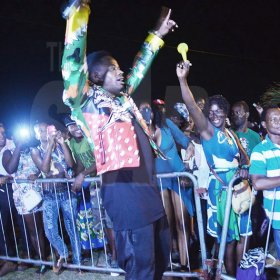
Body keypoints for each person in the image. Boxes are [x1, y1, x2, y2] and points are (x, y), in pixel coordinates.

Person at [61, 3, 176, 279]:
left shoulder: (123, 100)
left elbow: (138, 68)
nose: (121, 72)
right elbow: (74, 66)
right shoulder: (86, 102)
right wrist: (79, 14)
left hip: (148, 194)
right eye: (113, 69)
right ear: (97, 76)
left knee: (159, 263)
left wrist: (157, 35)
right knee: (140, 269)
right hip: (126, 196)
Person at [176, 61, 251, 276]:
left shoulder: (230, 134)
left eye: (220, 111)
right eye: (212, 111)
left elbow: (244, 158)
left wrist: (244, 169)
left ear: (226, 113)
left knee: (244, 236)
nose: (215, 115)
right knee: (227, 239)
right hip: (220, 190)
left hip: (239, 188)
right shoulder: (208, 132)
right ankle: (228, 275)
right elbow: (191, 105)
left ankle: (241, 274)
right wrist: (183, 79)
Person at [64, 115, 118, 270]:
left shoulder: (91, 137)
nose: (76, 128)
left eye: (77, 124)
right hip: (93, 186)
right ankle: (110, 253)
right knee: (100, 220)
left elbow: (99, 159)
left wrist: (83, 175)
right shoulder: (73, 143)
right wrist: (75, 175)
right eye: (71, 126)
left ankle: (116, 256)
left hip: (105, 181)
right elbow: (80, 163)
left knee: (109, 219)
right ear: (68, 129)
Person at [31, 122, 81, 273]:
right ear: (36, 135)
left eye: (46, 129)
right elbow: (45, 168)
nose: (44, 132)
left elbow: (71, 164)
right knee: (50, 231)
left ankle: (79, 264)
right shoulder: (36, 150)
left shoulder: (59, 145)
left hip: (66, 192)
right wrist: (50, 144)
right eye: (40, 130)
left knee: (72, 228)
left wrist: (62, 143)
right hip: (49, 196)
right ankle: (64, 253)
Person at [3, 133, 48, 274]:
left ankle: (48, 257)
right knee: (34, 231)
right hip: (24, 197)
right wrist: (19, 147)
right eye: (18, 136)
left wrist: (38, 176)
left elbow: (44, 168)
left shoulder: (34, 149)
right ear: (14, 139)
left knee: (45, 228)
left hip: (41, 193)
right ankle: (42, 261)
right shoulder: (8, 153)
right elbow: (11, 169)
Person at [249, 105, 280, 259]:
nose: (279, 122)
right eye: (274, 119)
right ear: (264, 124)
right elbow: (258, 183)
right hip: (278, 217)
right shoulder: (259, 151)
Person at [0, 123, 31, 276]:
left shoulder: (12, 144)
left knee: (22, 222)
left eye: (3, 132)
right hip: (1, 189)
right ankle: (9, 259)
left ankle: (28, 255)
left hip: (16, 186)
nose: (1, 136)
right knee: (3, 225)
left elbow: (14, 168)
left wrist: (7, 176)